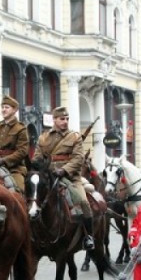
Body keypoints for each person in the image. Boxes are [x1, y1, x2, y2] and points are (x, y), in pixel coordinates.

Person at [33, 106, 94, 250]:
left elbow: (78, 158)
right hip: (49, 176)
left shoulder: (75, 136)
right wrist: (37, 165)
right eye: (62, 119)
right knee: (33, 199)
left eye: (67, 119)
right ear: (54, 120)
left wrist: (64, 170)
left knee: (83, 202)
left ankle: (89, 236)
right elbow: (37, 157)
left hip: (70, 178)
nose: (65, 121)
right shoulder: (43, 137)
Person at [0, 95, 29, 193]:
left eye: (7, 107)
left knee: (18, 190)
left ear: (14, 110)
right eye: (2, 107)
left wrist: (4, 160)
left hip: (15, 169)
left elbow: (22, 151)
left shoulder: (21, 129)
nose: (3, 110)